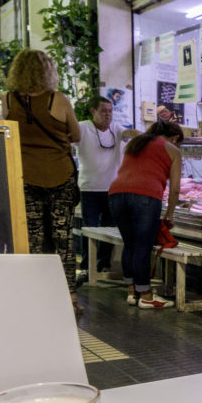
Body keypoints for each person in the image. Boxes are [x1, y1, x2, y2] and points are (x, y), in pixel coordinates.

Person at [2, 49, 82, 314]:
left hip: (25, 177)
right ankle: (69, 296)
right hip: (60, 176)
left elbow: (8, 135)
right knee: (63, 238)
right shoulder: (57, 99)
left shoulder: (7, 100)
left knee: (34, 238)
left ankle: (35, 294)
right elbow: (77, 135)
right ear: (48, 70)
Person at [108, 121, 182, 309]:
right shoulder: (172, 150)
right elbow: (175, 189)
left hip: (116, 194)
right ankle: (147, 296)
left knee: (130, 244)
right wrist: (170, 214)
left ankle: (132, 292)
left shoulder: (136, 142)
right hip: (145, 197)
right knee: (143, 246)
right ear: (174, 138)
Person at [76, 96, 140, 278]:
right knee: (90, 229)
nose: (108, 115)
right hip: (89, 189)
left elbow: (130, 134)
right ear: (93, 111)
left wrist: (144, 136)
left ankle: (102, 264)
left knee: (110, 229)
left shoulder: (116, 129)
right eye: (104, 111)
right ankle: (88, 267)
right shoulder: (82, 128)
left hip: (112, 190)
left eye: (110, 111)